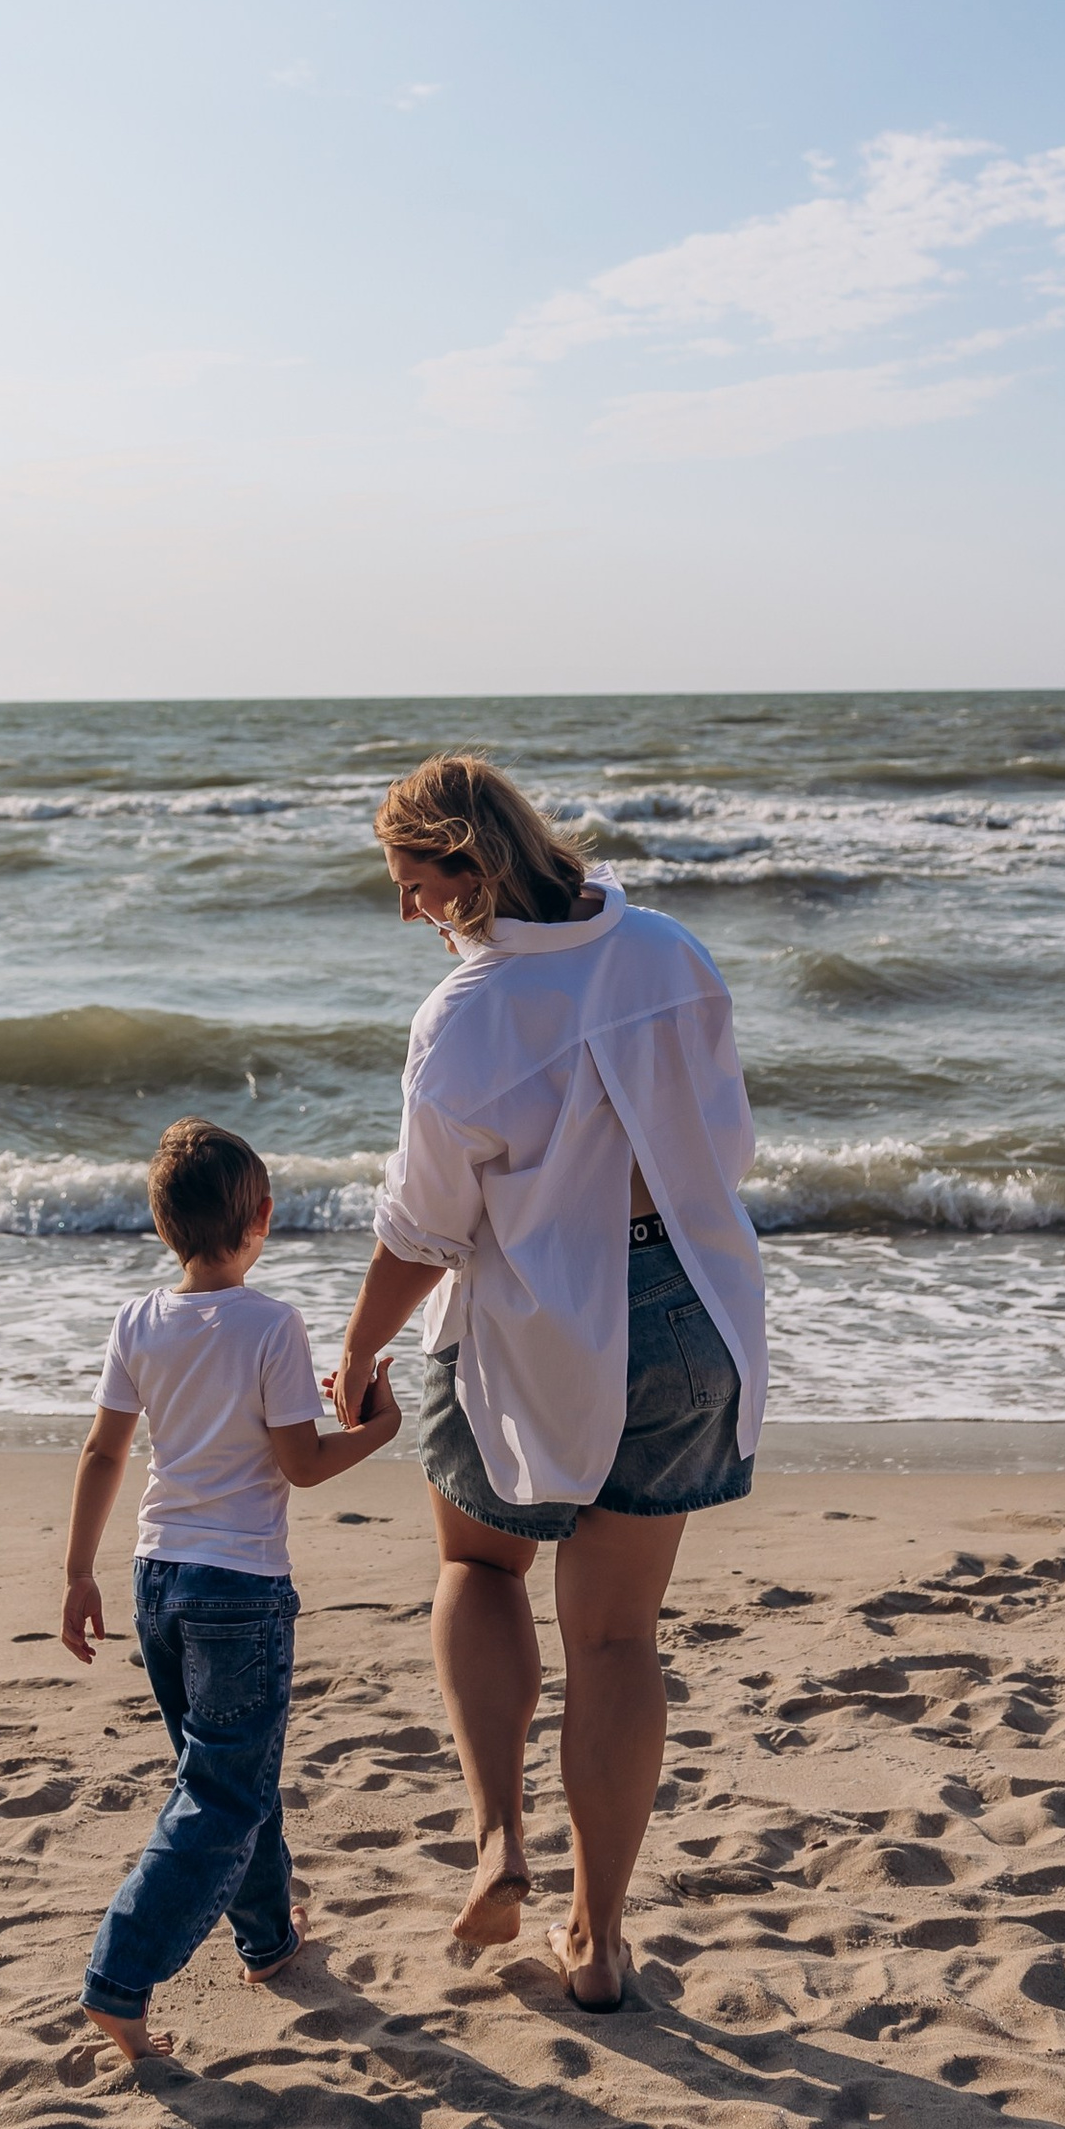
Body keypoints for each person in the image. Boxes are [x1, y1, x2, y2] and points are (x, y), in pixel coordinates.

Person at [329, 755, 765, 2013]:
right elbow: (724, 1143)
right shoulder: (672, 953)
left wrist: (357, 1351)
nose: (409, 912)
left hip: (536, 1318)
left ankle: (500, 1840)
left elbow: (421, 1229)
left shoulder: (465, 1018)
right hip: (686, 1310)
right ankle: (598, 1936)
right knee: (620, 1637)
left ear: (472, 867)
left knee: (478, 1567)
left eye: (415, 885)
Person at [63, 1113, 402, 2065]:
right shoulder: (273, 1324)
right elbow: (300, 1462)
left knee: (228, 1777)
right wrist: (378, 1427)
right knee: (222, 1790)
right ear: (262, 1217)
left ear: (163, 1228)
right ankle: (120, 1976)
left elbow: (104, 1451)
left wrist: (77, 1570)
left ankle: (266, 1940)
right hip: (239, 1592)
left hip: (154, 1579)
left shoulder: (138, 1320)